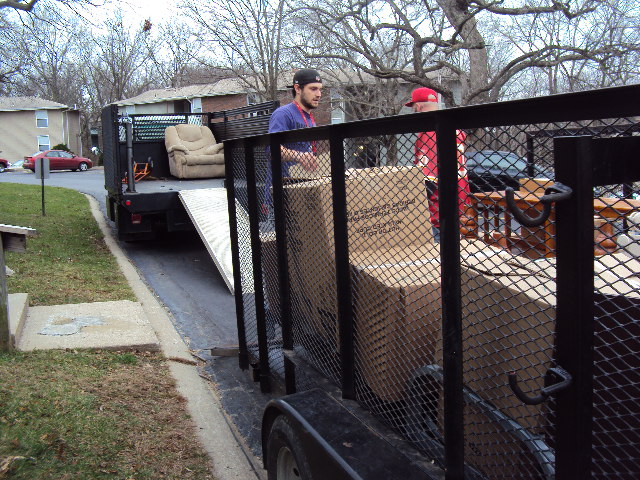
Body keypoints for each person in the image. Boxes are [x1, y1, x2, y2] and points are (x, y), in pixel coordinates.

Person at [405, 87, 471, 241]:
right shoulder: (455, 129)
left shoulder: (430, 132)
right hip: (456, 207)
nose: (414, 113)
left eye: (414, 109)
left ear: (419, 107)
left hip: (437, 212)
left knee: (438, 259)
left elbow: (428, 180)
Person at [262, 69, 323, 223]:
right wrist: (299, 156)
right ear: (297, 88)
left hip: (302, 195)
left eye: (320, 89)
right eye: (313, 89)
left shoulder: (311, 119)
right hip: (281, 197)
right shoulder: (283, 114)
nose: (319, 94)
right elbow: (271, 149)